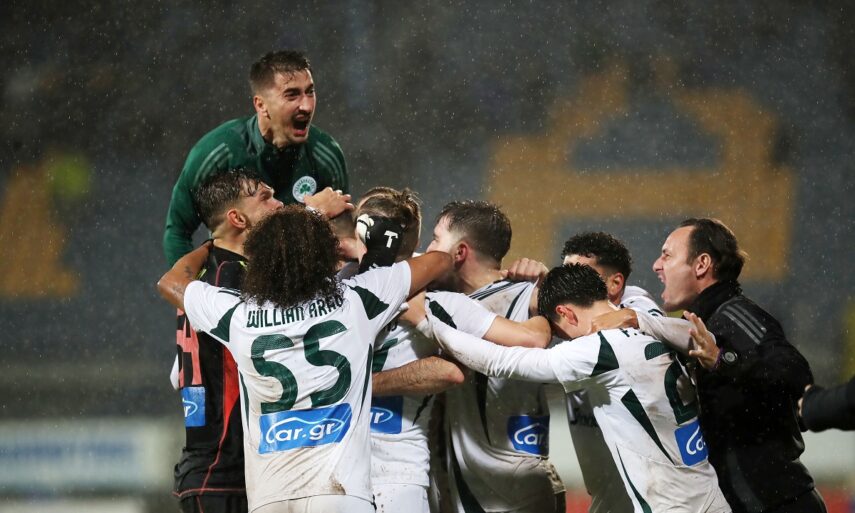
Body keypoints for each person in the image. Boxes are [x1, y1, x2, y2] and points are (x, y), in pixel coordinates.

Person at [157, 206, 453, 513]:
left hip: (270, 497)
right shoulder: (356, 299)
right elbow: (439, 261)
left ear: (257, 260)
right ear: (326, 255)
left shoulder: (238, 315)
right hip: (339, 494)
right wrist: (358, 249)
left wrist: (207, 247)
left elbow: (171, 282)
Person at [427, 264, 729, 513]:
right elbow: (697, 335)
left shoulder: (599, 350)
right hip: (710, 497)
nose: (566, 339)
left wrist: (432, 322)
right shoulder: (650, 325)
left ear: (568, 313)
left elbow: (500, 362)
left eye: (561, 331)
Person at [651, 218, 825, 513]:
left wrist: (723, 360)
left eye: (667, 255)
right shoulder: (698, 325)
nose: (657, 265)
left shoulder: (734, 315)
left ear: (701, 264)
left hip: (780, 503)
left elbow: (797, 376)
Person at [425, 200, 565, 513]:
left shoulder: (529, 296)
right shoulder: (444, 300)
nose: (429, 249)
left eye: (435, 239)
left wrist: (547, 283)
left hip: (511, 493)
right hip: (474, 489)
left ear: (460, 252)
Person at [163, 50, 352, 265]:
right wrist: (195, 286)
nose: (307, 106)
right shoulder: (218, 153)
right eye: (292, 95)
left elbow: (342, 235)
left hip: (302, 279)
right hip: (235, 280)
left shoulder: (325, 154)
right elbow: (177, 232)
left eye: (310, 92)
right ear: (261, 105)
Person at [173, 168, 283, 513]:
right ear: (237, 218)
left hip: (215, 471)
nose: (279, 204)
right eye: (265, 198)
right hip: (224, 473)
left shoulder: (208, 274)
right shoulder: (228, 277)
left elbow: (178, 374)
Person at [561, 231, 665, 513]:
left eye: (580, 276)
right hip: (605, 490)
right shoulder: (569, 310)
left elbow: (661, 327)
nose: (568, 285)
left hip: (647, 489)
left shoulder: (636, 308)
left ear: (615, 284)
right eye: (565, 274)